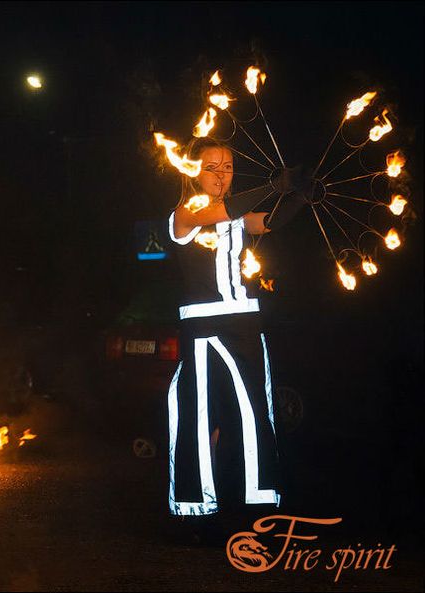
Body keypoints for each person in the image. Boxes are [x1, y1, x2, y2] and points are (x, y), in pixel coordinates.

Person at [166, 137, 309, 535]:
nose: (221, 174)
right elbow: (222, 211)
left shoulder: (234, 216)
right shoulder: (184, 213)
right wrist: (272, 187)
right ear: (193, 169)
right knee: (201, 418)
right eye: (212, 166)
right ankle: (195, 510)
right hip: (203, 327)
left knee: (254, 413)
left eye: (227, 166)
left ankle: (258, 505)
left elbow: (266, 221)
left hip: (245, 323)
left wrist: (301, 196)